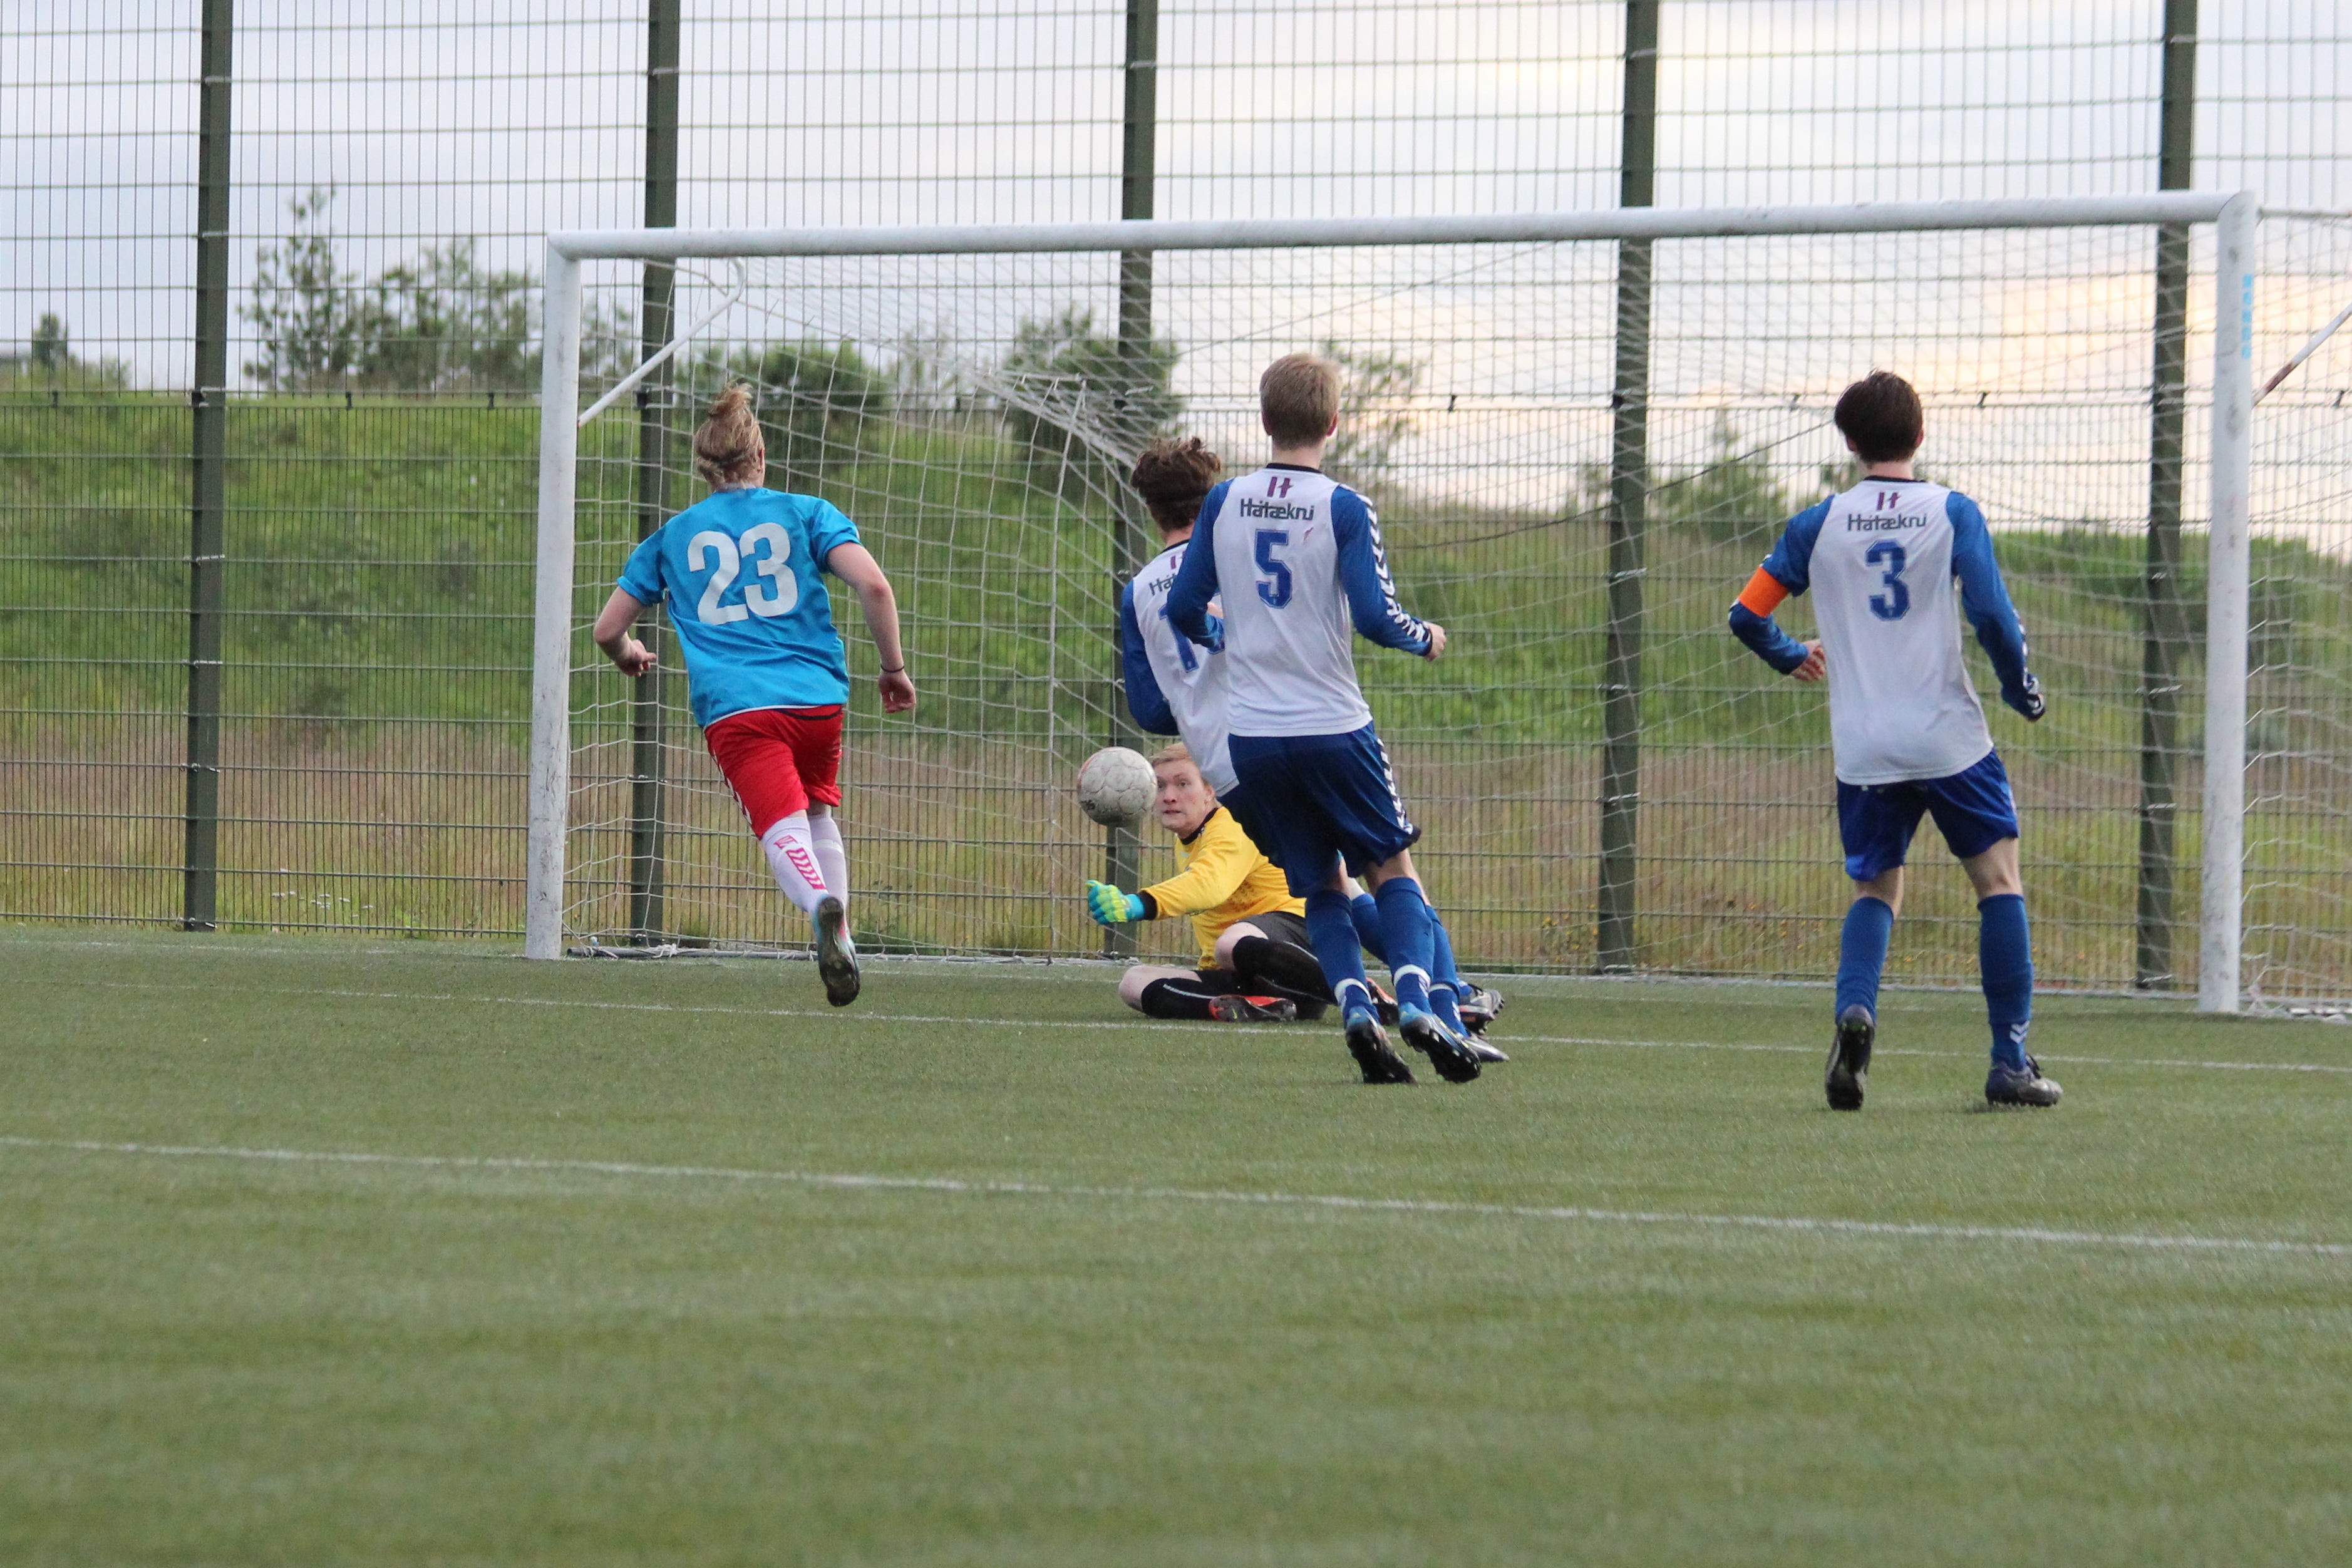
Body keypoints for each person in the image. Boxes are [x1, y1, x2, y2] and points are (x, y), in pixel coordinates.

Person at [1728, 369, 2058, 1110]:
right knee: (1998, 881)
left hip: (1865, 746)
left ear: (1850, 443)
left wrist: (1790, 654)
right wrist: (2019, 688)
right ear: (1921, 435)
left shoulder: (1818, 524)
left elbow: (1745, 614)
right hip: (1949, 738)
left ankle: (1856, 1010)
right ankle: (2009, 1060)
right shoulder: (1951, 511)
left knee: (1876, 889)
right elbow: (1993, 616)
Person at [1113, 435, 1505, 1040]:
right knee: (1381, 871)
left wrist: (1195, 704)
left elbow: (1150, 709)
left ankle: (1384, 1001)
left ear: (1150, 509)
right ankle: (1446, 996)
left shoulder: (1139, 591)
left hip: (1229, 766)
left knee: (1332, 883)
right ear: (1210, 494)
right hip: (1291, 725)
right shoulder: (1235, 551)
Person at [1165, 353, 1483, 1086]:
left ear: (1264, 420)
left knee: (1322, 886)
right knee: (1391, 867)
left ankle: (1356, 1011)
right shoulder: (1344, 506)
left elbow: (1185, 608)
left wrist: (1223, 636)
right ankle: (1414, 1001)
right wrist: (1424, 636)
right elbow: (1374, 616)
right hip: (1333, 726)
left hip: (1254, 738)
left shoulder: (1225, 500)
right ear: (1334, 423)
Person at [591, 383, 915, 1007]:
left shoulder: (673, 537)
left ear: (704, 468)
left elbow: (608, 629)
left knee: (780, 826)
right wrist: (892, 668)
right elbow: (875, 587)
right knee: (817, 813)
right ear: (760, 454)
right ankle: (843, 935)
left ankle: (820, 905)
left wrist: (628, 653)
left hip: (738, 709)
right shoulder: (808, 512)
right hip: (817, 701)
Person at [1088, 744, 1334, 1022]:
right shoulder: (1189, 839)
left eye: (1183, 784)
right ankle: (1246, 1008)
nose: (1169, 796)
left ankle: (1350, 990)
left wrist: (1138, 903)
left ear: (1210, 790)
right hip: (1249, 976)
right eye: (1160, 786)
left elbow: (1209, 884)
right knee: (1133, 982)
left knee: (1229, 944)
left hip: (1295, 962)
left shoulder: (1234, 823)